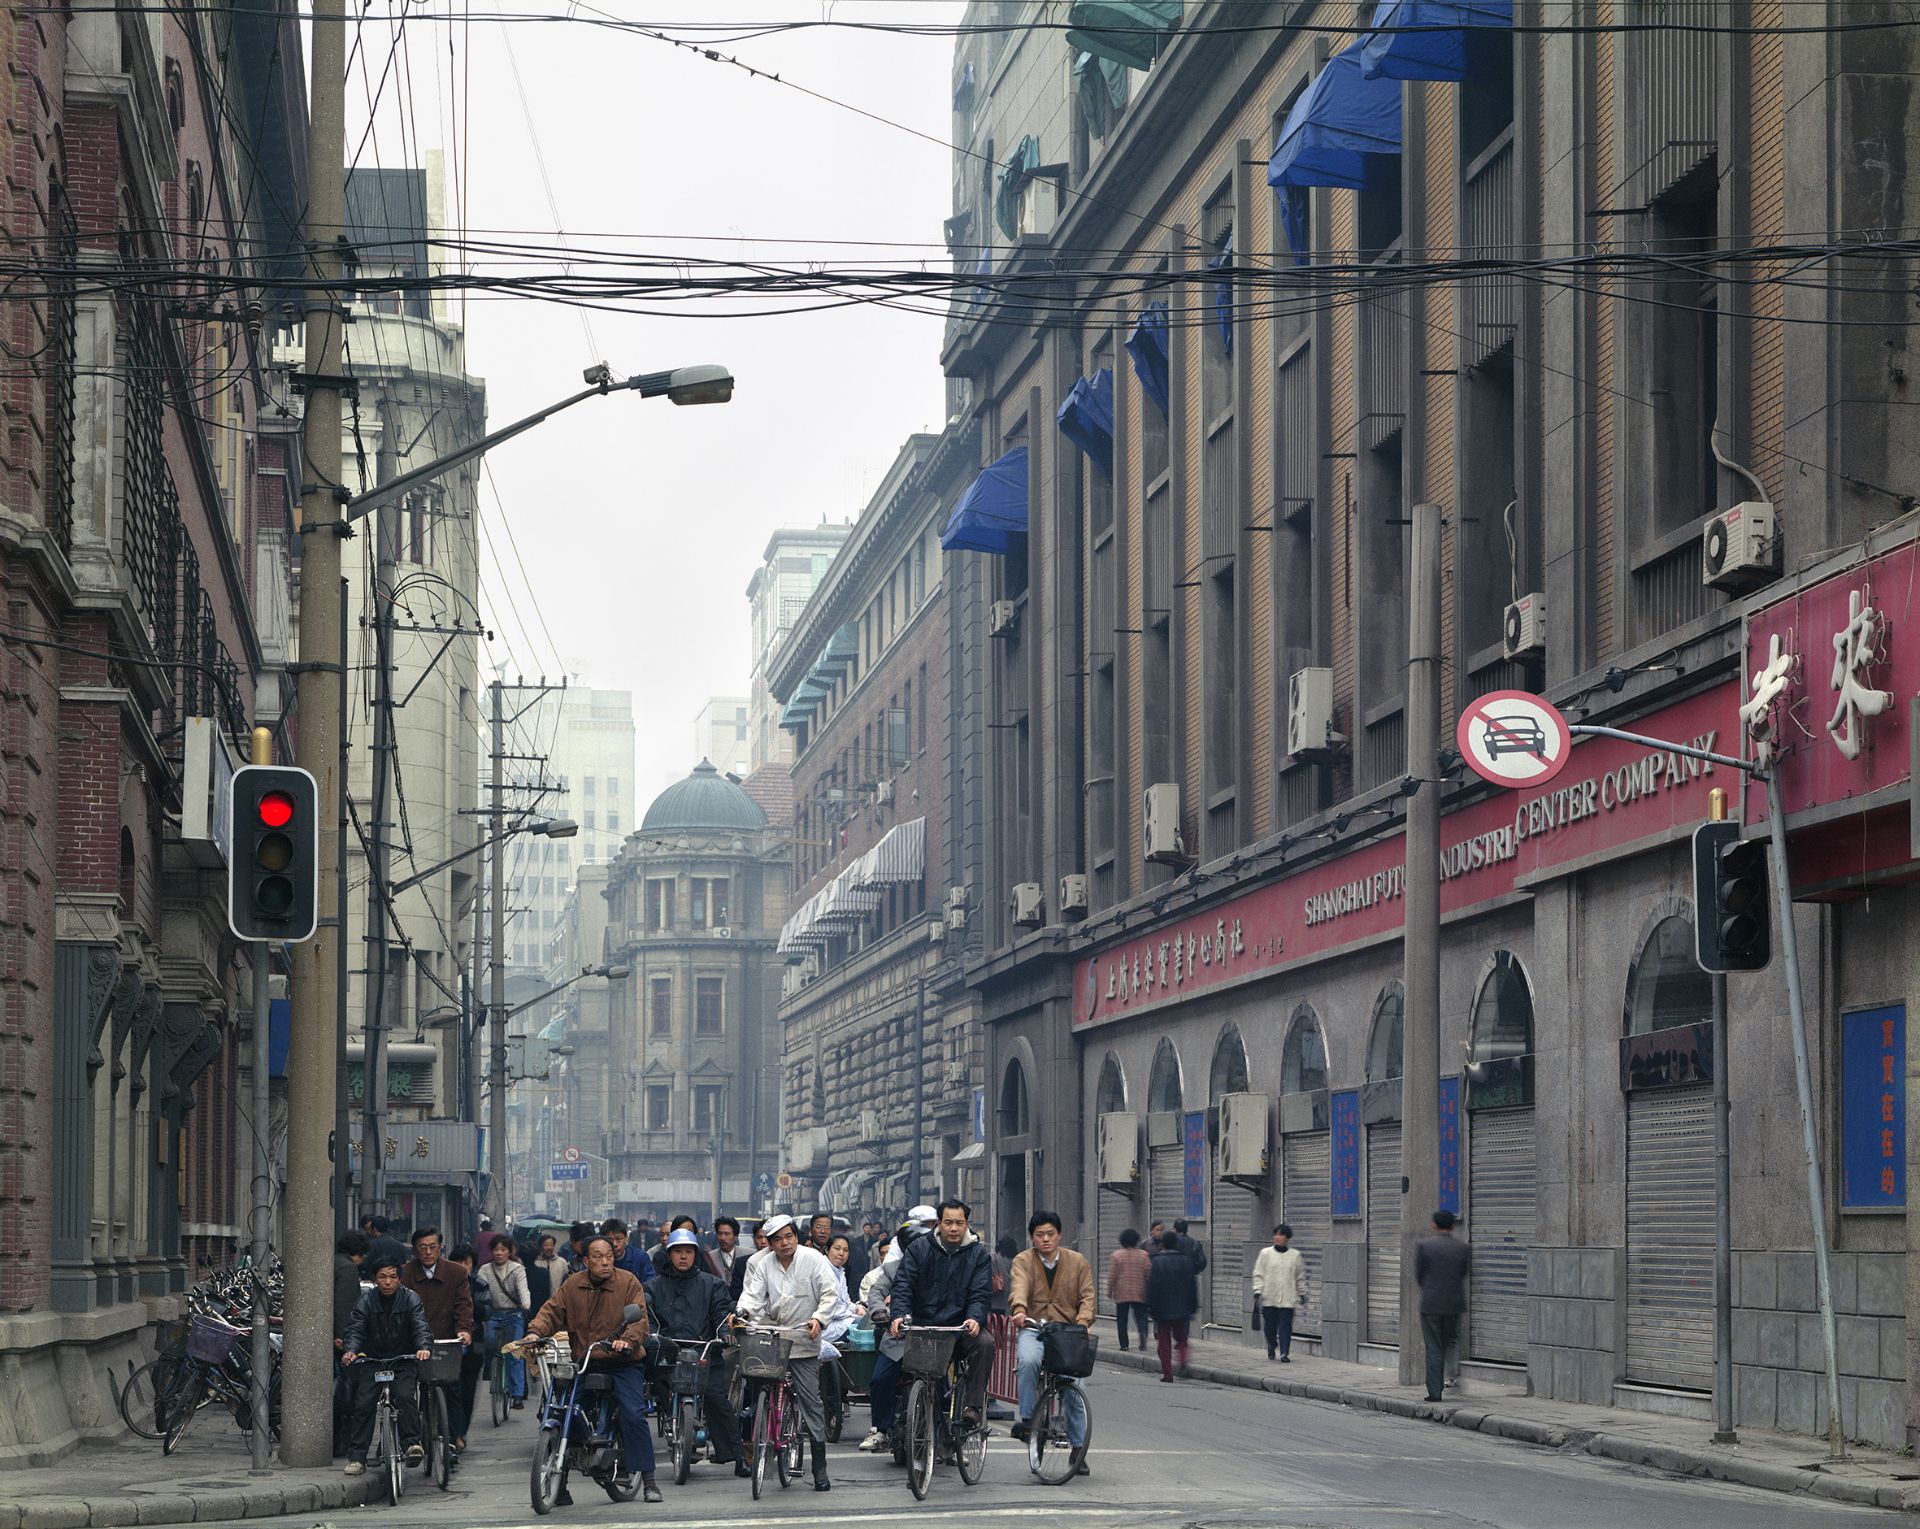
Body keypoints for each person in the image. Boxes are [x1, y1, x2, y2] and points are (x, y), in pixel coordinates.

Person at [516, 1235, 659, 1501]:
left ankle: (649, 1480)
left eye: (609, 1256)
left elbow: (639, 1320)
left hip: (623, 1362)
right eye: (597, 1256)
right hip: (586, 1362)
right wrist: (535, 1333)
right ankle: (561, 1484)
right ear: (585, 1261)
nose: (605, 1261)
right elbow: (551, 1311)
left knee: (633, 1413)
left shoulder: (628, 1282)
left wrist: (626, 1341)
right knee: (562, 1410)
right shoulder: (573, 1285)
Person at [736, 1212, 840, 1491]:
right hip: (771, 1338)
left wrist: (819, 1318)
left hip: (804, 1337)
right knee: (760, 1389)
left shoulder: (814, 1259)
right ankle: (763, 1435)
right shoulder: (762, 1265)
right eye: (777, 1239)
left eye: (789, 1236)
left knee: (810, 1402)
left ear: (796, 1236)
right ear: (769, 1243)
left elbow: (830, 1294)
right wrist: (742, 1313)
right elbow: (752, 1296)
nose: (784, 1243)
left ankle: (819, 1467)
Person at [888, 1199, 996, 1430]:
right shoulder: (919, 1249)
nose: (954, 1228)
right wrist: (899, 1315)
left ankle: (972, 1407)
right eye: (948, 1222)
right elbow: (903, 1284)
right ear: (939, 1223)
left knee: (985, 1343)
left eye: (959, 1223)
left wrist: (975, 1319)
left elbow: (980, 1293)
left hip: (960, 1329)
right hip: (926, 1328)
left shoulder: (978, 1254)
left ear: (967, 1224)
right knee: (918, 1379)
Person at [646, 1227, 741, 1474]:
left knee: (717, 1399)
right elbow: (650, 1317)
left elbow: (721, 1313)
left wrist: (724, 1333)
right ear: (669, 1254)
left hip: (704, 1351)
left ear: (696, 1254)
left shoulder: (712, 1284)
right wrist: (654, 1336)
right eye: (678, 1252)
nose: (683, 1257)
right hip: (668, 1353)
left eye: (688, 1251)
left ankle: (737, 1457)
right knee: (655, 1388)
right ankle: (670, 1422)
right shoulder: (653, 1287)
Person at [1008, 1211, 1093, 1474]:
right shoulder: (1023, 1260)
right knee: (1028, 1360)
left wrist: (1082, 1322)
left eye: (1050, 1234)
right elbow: (1018, 1288)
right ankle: (1028, 1420)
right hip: (1034, 1327)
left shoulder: (1077, 1261)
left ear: (1059, 1235)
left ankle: (1078, 1449)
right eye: (1039, 1235)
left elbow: (1087, 1297)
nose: (1045, 1239)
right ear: (1032, 1237)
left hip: (1068, 1332)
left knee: (1073, 1389)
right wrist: (1020, 1311)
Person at [340, 1257, 433, 1475]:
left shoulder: (411, 1299)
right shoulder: (365, 1302)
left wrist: (423, 1348)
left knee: (405, 1397)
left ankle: (411, 1444)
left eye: (392, 1277)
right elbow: (355, 1328)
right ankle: (357, 1458)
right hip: (374, 1360)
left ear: (400, 1279)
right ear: (375, 1279)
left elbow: (421, 1327)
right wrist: (351, 1350)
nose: (388, 1282)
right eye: (382, 1277)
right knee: (363, 1404)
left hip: (404, 1359)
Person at [859, 1206, 935, 1451]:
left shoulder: (940, 1267)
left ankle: (945, 1440)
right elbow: (877, 1291)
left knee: (943, 1384)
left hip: (932, 1336)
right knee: (880, 1379)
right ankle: (881, 1428)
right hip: (898, 1336)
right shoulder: (892, 1269)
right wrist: (880, 1311)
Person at [400, 1227, 474, 1446]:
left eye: (433, 1247)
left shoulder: (456, 1273)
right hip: (412, 1340)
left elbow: (464, 1305)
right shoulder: (404, 1273)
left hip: (445, 1338)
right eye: (423, 1248)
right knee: (404, 1391)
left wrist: (463, 1329)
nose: (428, 1252)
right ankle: (405, 1440)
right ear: (414, 1250)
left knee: (450, 1386)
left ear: (441, 1247)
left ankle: (453, 1435)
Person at [1415, 1209, 1471, 1403]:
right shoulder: (1462, 1248)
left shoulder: (1424, 1246)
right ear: (1453, 1226)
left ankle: (1435, 1392)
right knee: (1451, 1341)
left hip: (1431, 1303)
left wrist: (1430, 1290)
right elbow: (1463, 1273)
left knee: (1434, 1347)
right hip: (1454, 1303)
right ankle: (1453, 1376)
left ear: (1434, 1225)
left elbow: (1419, 1275)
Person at [479, 1234, 532, 1407]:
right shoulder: (484, 1270)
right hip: (493, 1314)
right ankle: (491, 1369)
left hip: (513, 1314)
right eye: (496, 1249)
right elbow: (480, 1293)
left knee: (515, 1353)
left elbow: (523, 1290)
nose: (499, 1253)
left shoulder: (517, 1269)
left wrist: (526, 1304)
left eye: (503, 1249)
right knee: (489, 1344)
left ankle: (517, 1394)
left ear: (509, 1252)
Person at [332, 1230, 370, 1455]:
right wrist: (343, 1336)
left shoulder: (333, 1261)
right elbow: (344, 1306)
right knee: (344, 1389)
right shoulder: (347, 1268)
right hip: (337, 1335)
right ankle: (342, 1443)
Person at [1147, 1226, 1198, 1382]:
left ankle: (1167, 1373)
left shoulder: (1156, 1261)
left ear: (1162, 1244)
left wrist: (1150, 1306)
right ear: (1176, 1244)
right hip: (1182, 1307)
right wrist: (1193, 1305)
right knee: (1181, 1338)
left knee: (1164, 1341)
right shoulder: (1186, 1261)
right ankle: (1182, 1360)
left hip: (1162, 1308)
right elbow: (1192, 1285)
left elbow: (1152, 1286)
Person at [1250, 1223, 1307, 1363]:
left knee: (1285, 1327)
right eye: (1275, 1234)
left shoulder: (1295, 1256)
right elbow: (1258, 1274)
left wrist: (1302, 1292)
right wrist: (1258, 1291)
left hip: (1288, 1298)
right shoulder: (1265, 1254)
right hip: (1270, 1297)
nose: (1277, 1237)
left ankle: (1284, 1353)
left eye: (1281, 1235)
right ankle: (1271, 1344)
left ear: (1287, 1238)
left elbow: (1299, 1276)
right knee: (1269, 1327)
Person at [1107, 1229, 1151, 1352]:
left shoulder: (1116, 1255)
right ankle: (1142, 1335)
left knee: (1122, 1319)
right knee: (1141, 1316)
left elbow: (1112, 1276)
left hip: (1122, 1292)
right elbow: (1148, 1273)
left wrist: (1109, 1291)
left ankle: (1124, 1344)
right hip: (1139, 1291)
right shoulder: (1144, 1255)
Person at [600, 1218, 657, 1286]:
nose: (614, 1244)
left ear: (626, 1238)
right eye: (610, 1240)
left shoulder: (640, 1257)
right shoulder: (597, 1259)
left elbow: (649, 1284)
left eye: (619, 1239)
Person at [529, 1233, 567, 1309]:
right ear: (540, 1247)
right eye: (546, 1245)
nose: (549, 1248)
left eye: (551, 1245)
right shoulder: (536, 1262)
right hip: (539, 1304)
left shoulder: (562, 1262)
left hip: (557, 1303)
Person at [989, 1234, 1017, 1318]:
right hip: (1008, 1295)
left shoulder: (993, 1258)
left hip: (995, 1295)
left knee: (995, 1322)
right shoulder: (1015, 1259)